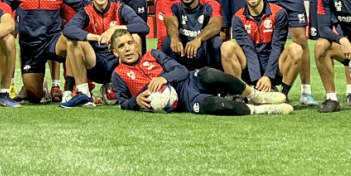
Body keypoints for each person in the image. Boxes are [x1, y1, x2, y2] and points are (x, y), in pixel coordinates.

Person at [108, 29, 291, 115]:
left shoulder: (153, 54)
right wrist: (136, 101)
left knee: (210, 74)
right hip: (184, 100)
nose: (128, 49)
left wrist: (163, 78)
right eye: (121, 46)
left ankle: (256, 95)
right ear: (116, 52)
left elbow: (179, 69)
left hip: (188, 81)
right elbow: (123, 102)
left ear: (136, 43)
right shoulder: (119, 74)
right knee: (217, 105)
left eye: (130, 43)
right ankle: (265, 110)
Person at [5, 0, 89, 102]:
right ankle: (41, 86)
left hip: (53, 41)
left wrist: (103, 5)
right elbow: (4, 9)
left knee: (72, 40)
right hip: (30, 46)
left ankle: (70, 91)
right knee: (34, 97)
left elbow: (81, 4)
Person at [61, 0, 149, 107]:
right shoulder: (86, 12)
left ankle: (135, 85)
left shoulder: (120, 9)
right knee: (73, 41)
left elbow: (143, 26)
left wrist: (115, 29)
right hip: (95, 63)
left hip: (118, 62)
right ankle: (84, 94)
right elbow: (68, 30)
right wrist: (97, 38)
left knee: (135, 36)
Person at [222, 0, 302, 96]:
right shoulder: (238, 18)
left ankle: (283, 95)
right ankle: (238, 94)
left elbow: (277, 47)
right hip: (249, 69)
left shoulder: (279, 13)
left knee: (296, 49)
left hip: (276, 69)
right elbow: (248, 49)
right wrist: (258, 79)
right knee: (226, 46)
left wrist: (268, 76)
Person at [159, 0, 224, 72]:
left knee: (217, 42)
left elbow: (216, 25)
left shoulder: (210, 5)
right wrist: (174, 38)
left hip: (204, 55)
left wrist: (198, 39)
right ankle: (172, 78)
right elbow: (171, 23)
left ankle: (216, 78)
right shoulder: (172, 6)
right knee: (168, 41)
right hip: (183, 54)